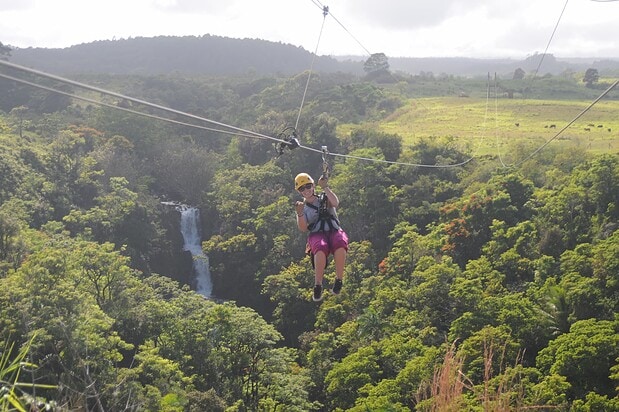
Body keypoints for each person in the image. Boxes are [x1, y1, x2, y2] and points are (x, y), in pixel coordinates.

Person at [294, 172, 349, 301]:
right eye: (302, 189)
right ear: (299, 192)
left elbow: (335, 203)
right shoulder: (303, 208)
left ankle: (339, 279)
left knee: (340, 242)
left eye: (308, 186)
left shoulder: (324, 198)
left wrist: (325, 187)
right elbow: (303, 228)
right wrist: (300, 214)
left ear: (313, 186)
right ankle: (318, 285)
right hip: (317, 233)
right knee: (320, 247)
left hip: (334, 230)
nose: (306, 190)